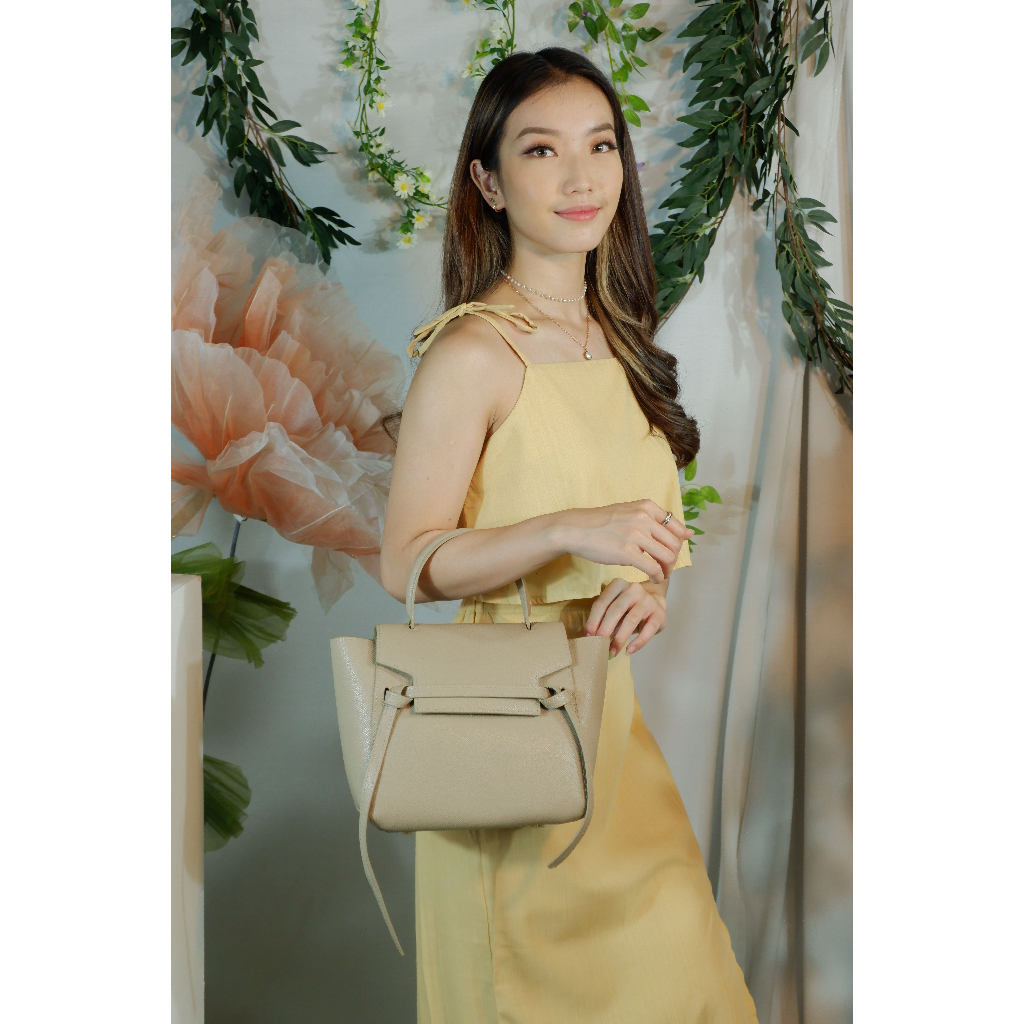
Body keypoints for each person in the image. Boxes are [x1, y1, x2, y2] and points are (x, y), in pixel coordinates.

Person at [379, 46, 757, 1024]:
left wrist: (647, 590)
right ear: (487, 181)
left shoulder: (620, 335)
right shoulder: (472, 352)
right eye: (542, 150)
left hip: (610, 727)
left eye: (601, 145)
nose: (582, 176)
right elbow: (407, 563)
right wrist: (565, 529)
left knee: (689, 986)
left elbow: (648, 529)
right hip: (507, 731)